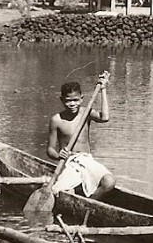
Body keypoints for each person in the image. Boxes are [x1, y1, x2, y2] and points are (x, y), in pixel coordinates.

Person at [46, 71, 115, 201]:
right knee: (65, 191)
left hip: (87, 160)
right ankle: (78, 200)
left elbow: (105, 117)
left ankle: (90, 202)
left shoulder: (86, 113)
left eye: (75, 100)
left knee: (109, 182)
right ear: (62, 100)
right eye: (68, 101)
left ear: (81, 99)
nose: (72, 104)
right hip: (69, 163)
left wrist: (103, 89)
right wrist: (58, 155)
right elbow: (49, 149)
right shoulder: (56, 120)